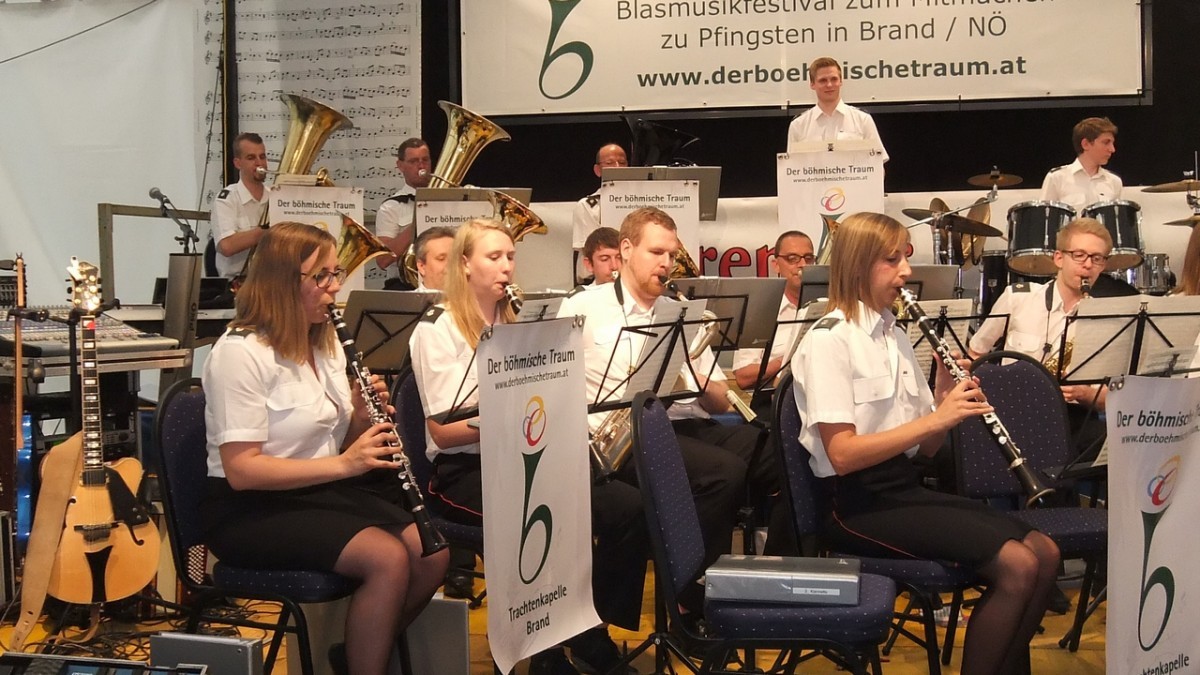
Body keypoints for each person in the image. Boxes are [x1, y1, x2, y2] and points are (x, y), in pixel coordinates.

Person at [791, 212, 1060, 675]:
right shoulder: (828, 341)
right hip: (852, 505)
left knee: (1047, 552)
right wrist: (937, 417)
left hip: (901, 490)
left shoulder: (894, 334)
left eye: (905, 258)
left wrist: (942, 396)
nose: (906, 271)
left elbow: (925, 450)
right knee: (1018, 565)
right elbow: (842, 455)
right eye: (892, 260)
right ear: (858, 265)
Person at [201, 222, 448, 675]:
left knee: (431, 552)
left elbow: (332, 444)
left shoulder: (326, 343)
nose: (334, 287)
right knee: (388, 558)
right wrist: (345, 464)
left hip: (318, 493)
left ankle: (357, 653)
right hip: (249, 508)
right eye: (322, 276)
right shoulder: (240, 353)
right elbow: (242, 470)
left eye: (336, 274)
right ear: (282, 281)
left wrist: (359, 419)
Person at [409, 218, 643, 675]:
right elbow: (442, 433)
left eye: (511, 257)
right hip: (466, 471)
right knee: (543, 515)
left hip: (527, 457)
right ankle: (544, 652)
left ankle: (588, 627)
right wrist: (509, 417)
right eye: (494, 257)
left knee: (627, 507)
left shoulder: (519, 321)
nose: (506, 267)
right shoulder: (437, 329)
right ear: (464, 263)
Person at [560, 207, 779, 566]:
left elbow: (721, 404)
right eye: (656, 252)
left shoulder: (682, 310)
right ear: (626, 249)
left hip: (691, 425)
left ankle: (779, 573)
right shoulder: (582, 307)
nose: (666, 263)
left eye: (672, 255)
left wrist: (692, 369)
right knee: (723, 472)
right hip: (627, 439)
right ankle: (692, 584)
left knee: (780, 451)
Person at [969, 217, 1139, 413]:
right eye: (1079, 255)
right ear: (1059, 258)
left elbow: (1114, 400)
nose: (1088, 265)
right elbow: (976, 354)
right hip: (1012, 409)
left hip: (1072, 417)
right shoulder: (1017, 298)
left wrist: (1085, 394)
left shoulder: (1106, 320)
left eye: (1097, 258)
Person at [732, 231, 815, 394]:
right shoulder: (760, 311)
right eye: (792, 258)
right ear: (776, 265)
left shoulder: (829, 306)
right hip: (773, 399)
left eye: (808, 258)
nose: (802, 264)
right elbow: (743, 376)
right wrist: (787, 360)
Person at [787, 57, 888, 163]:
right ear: (812, 84)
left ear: (841, 81)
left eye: (834, 79)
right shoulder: (798, 125)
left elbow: (878, 166)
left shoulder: (863, 120)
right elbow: (791, 169)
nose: (829, 85)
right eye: (823, 80)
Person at [376, 138, 433, 289]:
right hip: (404, 285)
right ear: (400, 165)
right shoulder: (391, 207)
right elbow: (383, 260)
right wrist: (419, 221)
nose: (421, 166)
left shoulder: (447, 202)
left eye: (425, 160)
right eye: (413, 161)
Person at [211, 133, 270, 279]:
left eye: (262, 157)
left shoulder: (275, 196)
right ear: (238, 163)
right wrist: (269, 232)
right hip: (236, 283)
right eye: (251, 158)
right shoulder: (227, 199)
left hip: (270, 280)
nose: (259, 163)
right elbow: (226, 246)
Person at [572, 143, 629, 283]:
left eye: (622, 163)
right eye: (610, 163)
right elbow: (592, 249)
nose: (617, 167)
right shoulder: (587, 206)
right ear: (598, 170)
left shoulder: (641, 203)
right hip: (599, 280)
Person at [1040, 117, 1121, 212]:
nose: (1112, 149)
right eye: (1106, 142)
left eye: (1112, 143)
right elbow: (1045, 217)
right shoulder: (1057, 178)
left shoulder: (1114, 181)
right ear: (1085, 144)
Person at [413, 225, 456, 292]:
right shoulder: (404, 299)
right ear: (422, 266)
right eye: (441, 259)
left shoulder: (472, 297)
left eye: (455, 257)